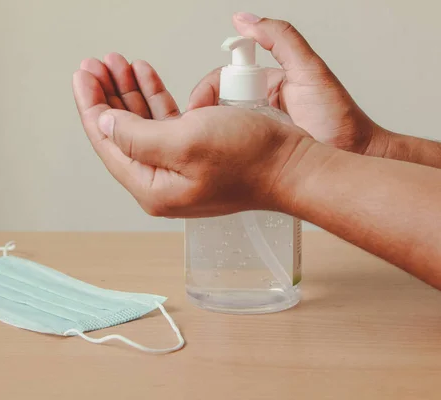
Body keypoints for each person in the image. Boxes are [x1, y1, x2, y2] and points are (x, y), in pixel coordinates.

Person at [72, 13, 441, 290]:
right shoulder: (283, 128)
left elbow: (287, 161)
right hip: (213, 295)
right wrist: (364, 149)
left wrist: (286, 168)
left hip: (275, 294)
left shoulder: (279, 133)